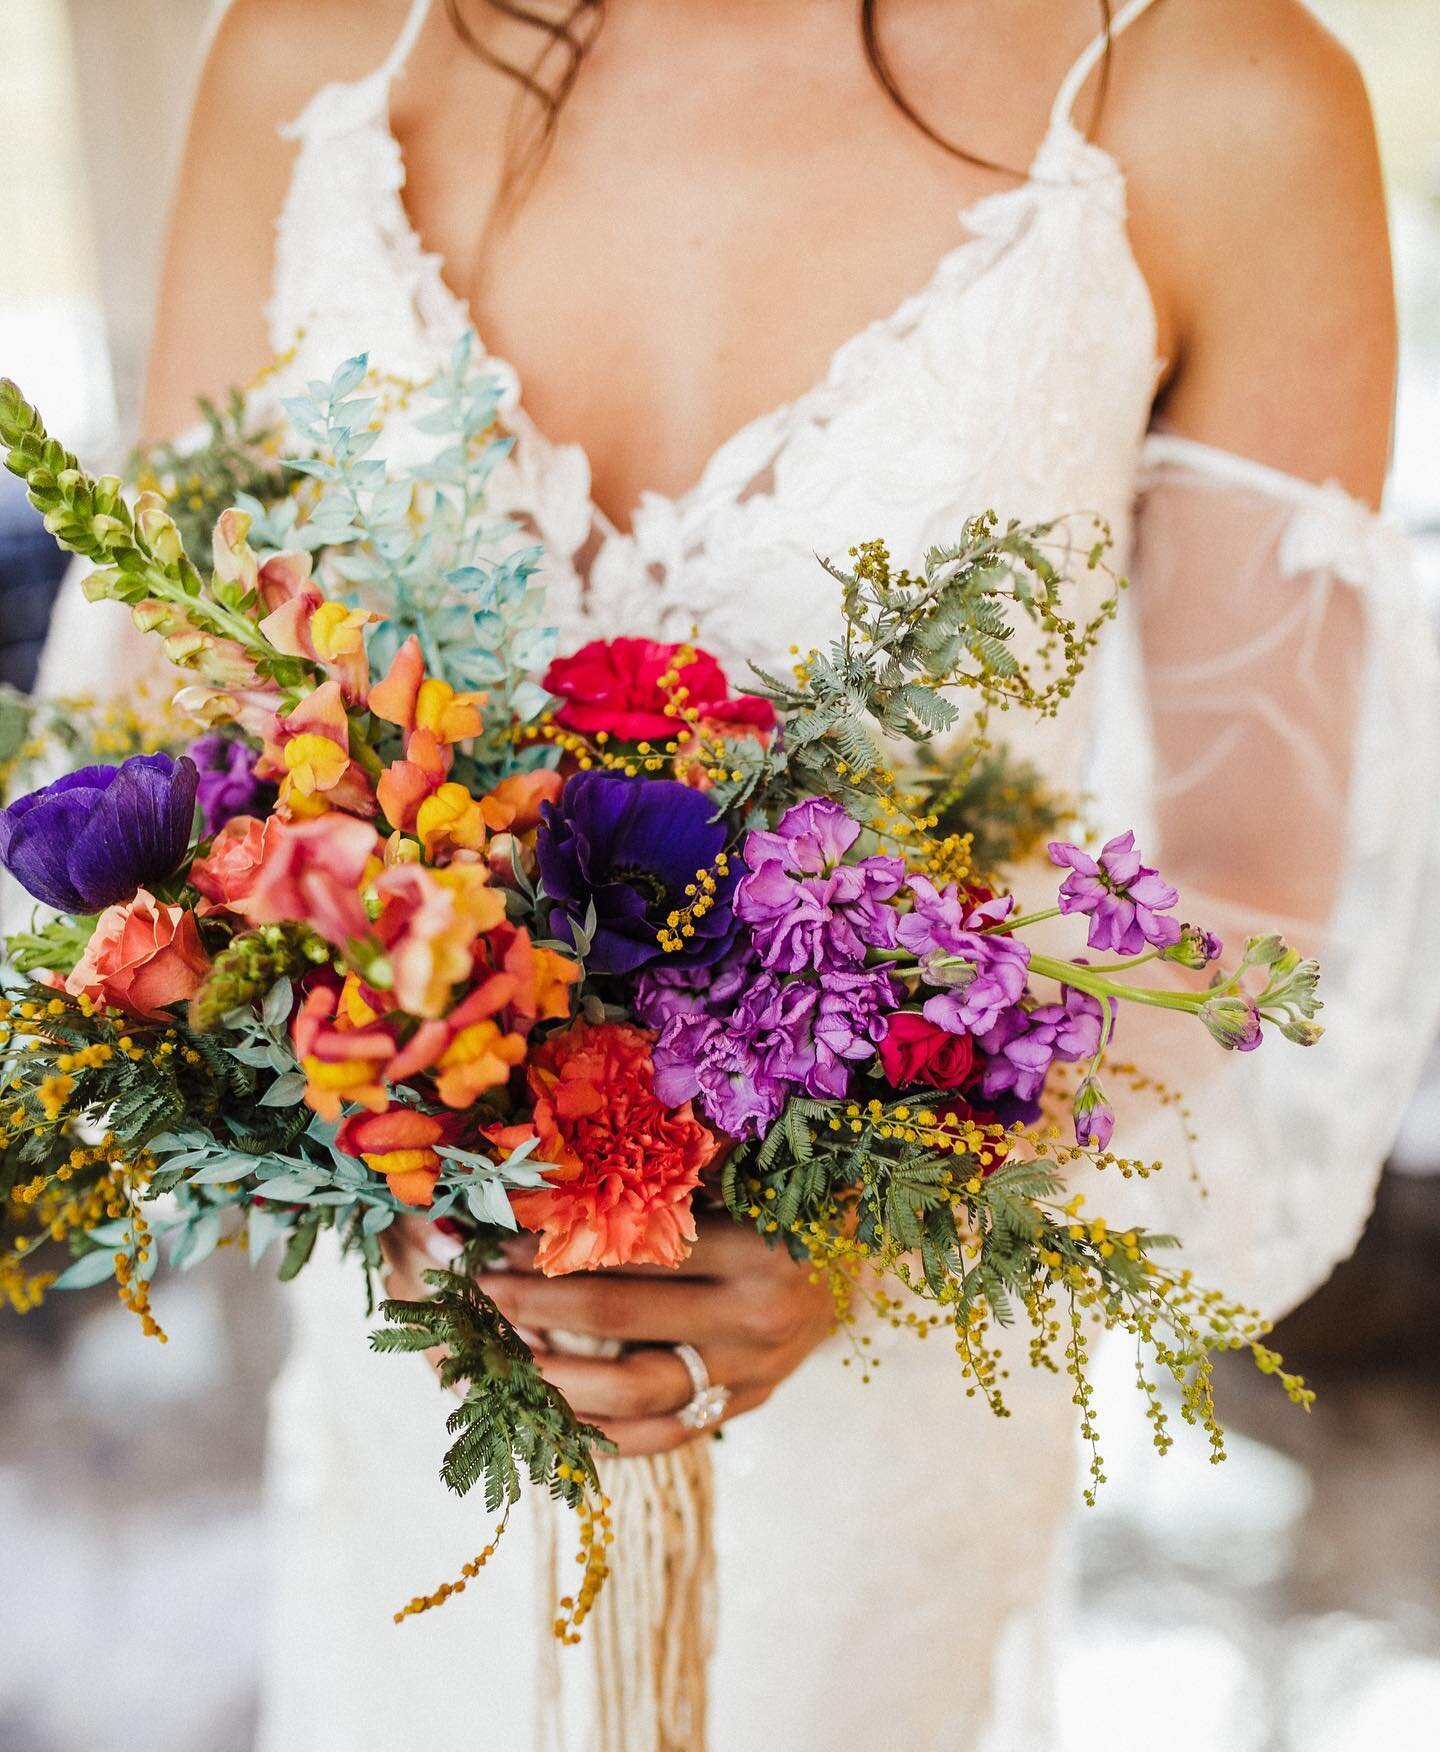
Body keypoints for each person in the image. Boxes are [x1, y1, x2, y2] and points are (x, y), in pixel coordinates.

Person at [109, 0, 1436, 1745]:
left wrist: (893, 1222)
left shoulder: (1216, 94)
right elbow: (174, 711)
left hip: (874, 1422)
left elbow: (1251, 894)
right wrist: (365, 1101)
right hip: (420, 1368)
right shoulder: (315, 51)